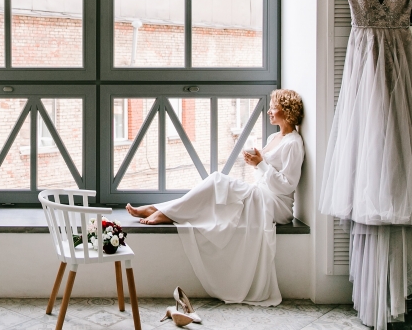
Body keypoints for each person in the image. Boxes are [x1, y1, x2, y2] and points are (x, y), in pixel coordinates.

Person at [126, 89, 305, 305]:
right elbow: (265, 173)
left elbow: (287, 185)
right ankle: (161, 210)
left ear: (286, 110)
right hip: (261, 193)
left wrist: (260, 164)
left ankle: (163, 212)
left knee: (216, 181)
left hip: (275, 204)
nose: (269, 111)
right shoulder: (274, 137)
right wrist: (256, 163)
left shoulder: (294, 143)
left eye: (273, 107)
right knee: (216, 188)